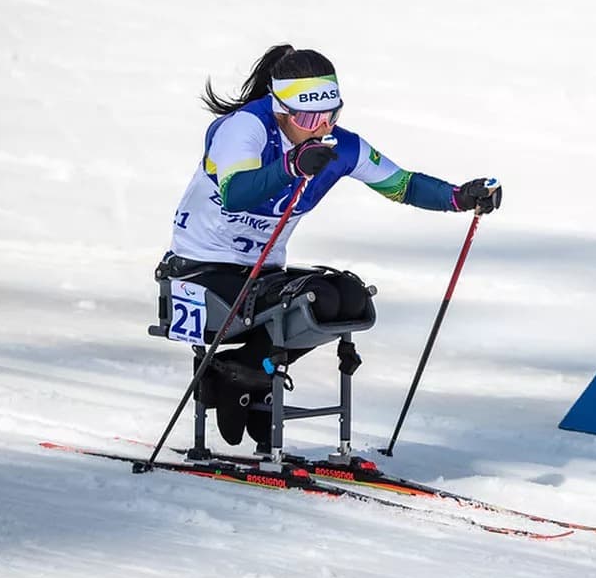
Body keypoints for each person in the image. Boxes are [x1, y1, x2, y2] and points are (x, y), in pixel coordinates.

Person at [161, 44, 502, 449]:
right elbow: (237, 194)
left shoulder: (339, 146)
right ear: (279, 108)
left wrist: (460, 197)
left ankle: (243, 369)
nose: (320, 126)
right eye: (307, 117)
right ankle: (245, 372)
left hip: (261, 273)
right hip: (201, 269)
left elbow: (402, 184)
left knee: (350, 299)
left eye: (330, 115)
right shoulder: (244, 128)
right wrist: (289, 166)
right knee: (316, 299)